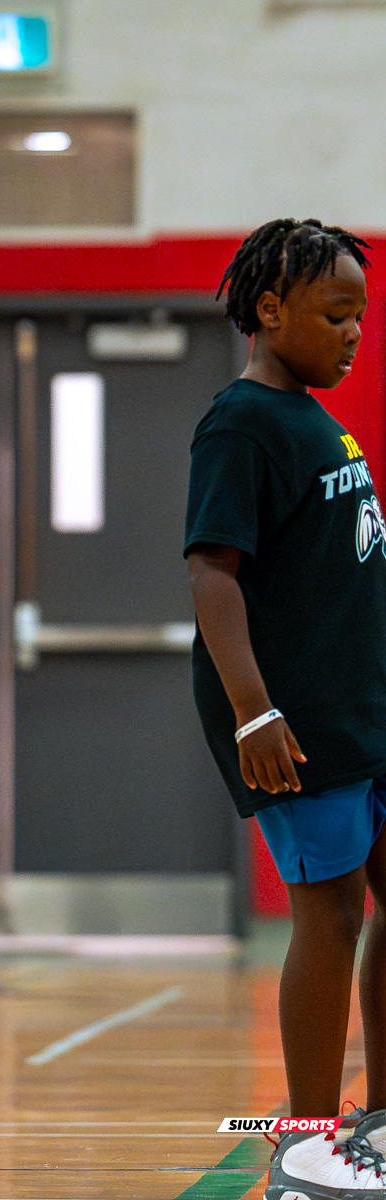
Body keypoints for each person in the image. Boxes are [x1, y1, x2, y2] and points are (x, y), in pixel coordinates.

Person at [187, 219, 386, 1199]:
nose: (355, 333)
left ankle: (378, 1122)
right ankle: (306, 1145)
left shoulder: (316, 417)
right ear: (269, 311)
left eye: (362, 315)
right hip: (296, 722)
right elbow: (213, 575)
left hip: (366, 710)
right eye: (335, 314)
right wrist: (253, 713)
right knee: (332, 912)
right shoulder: (243, 422)